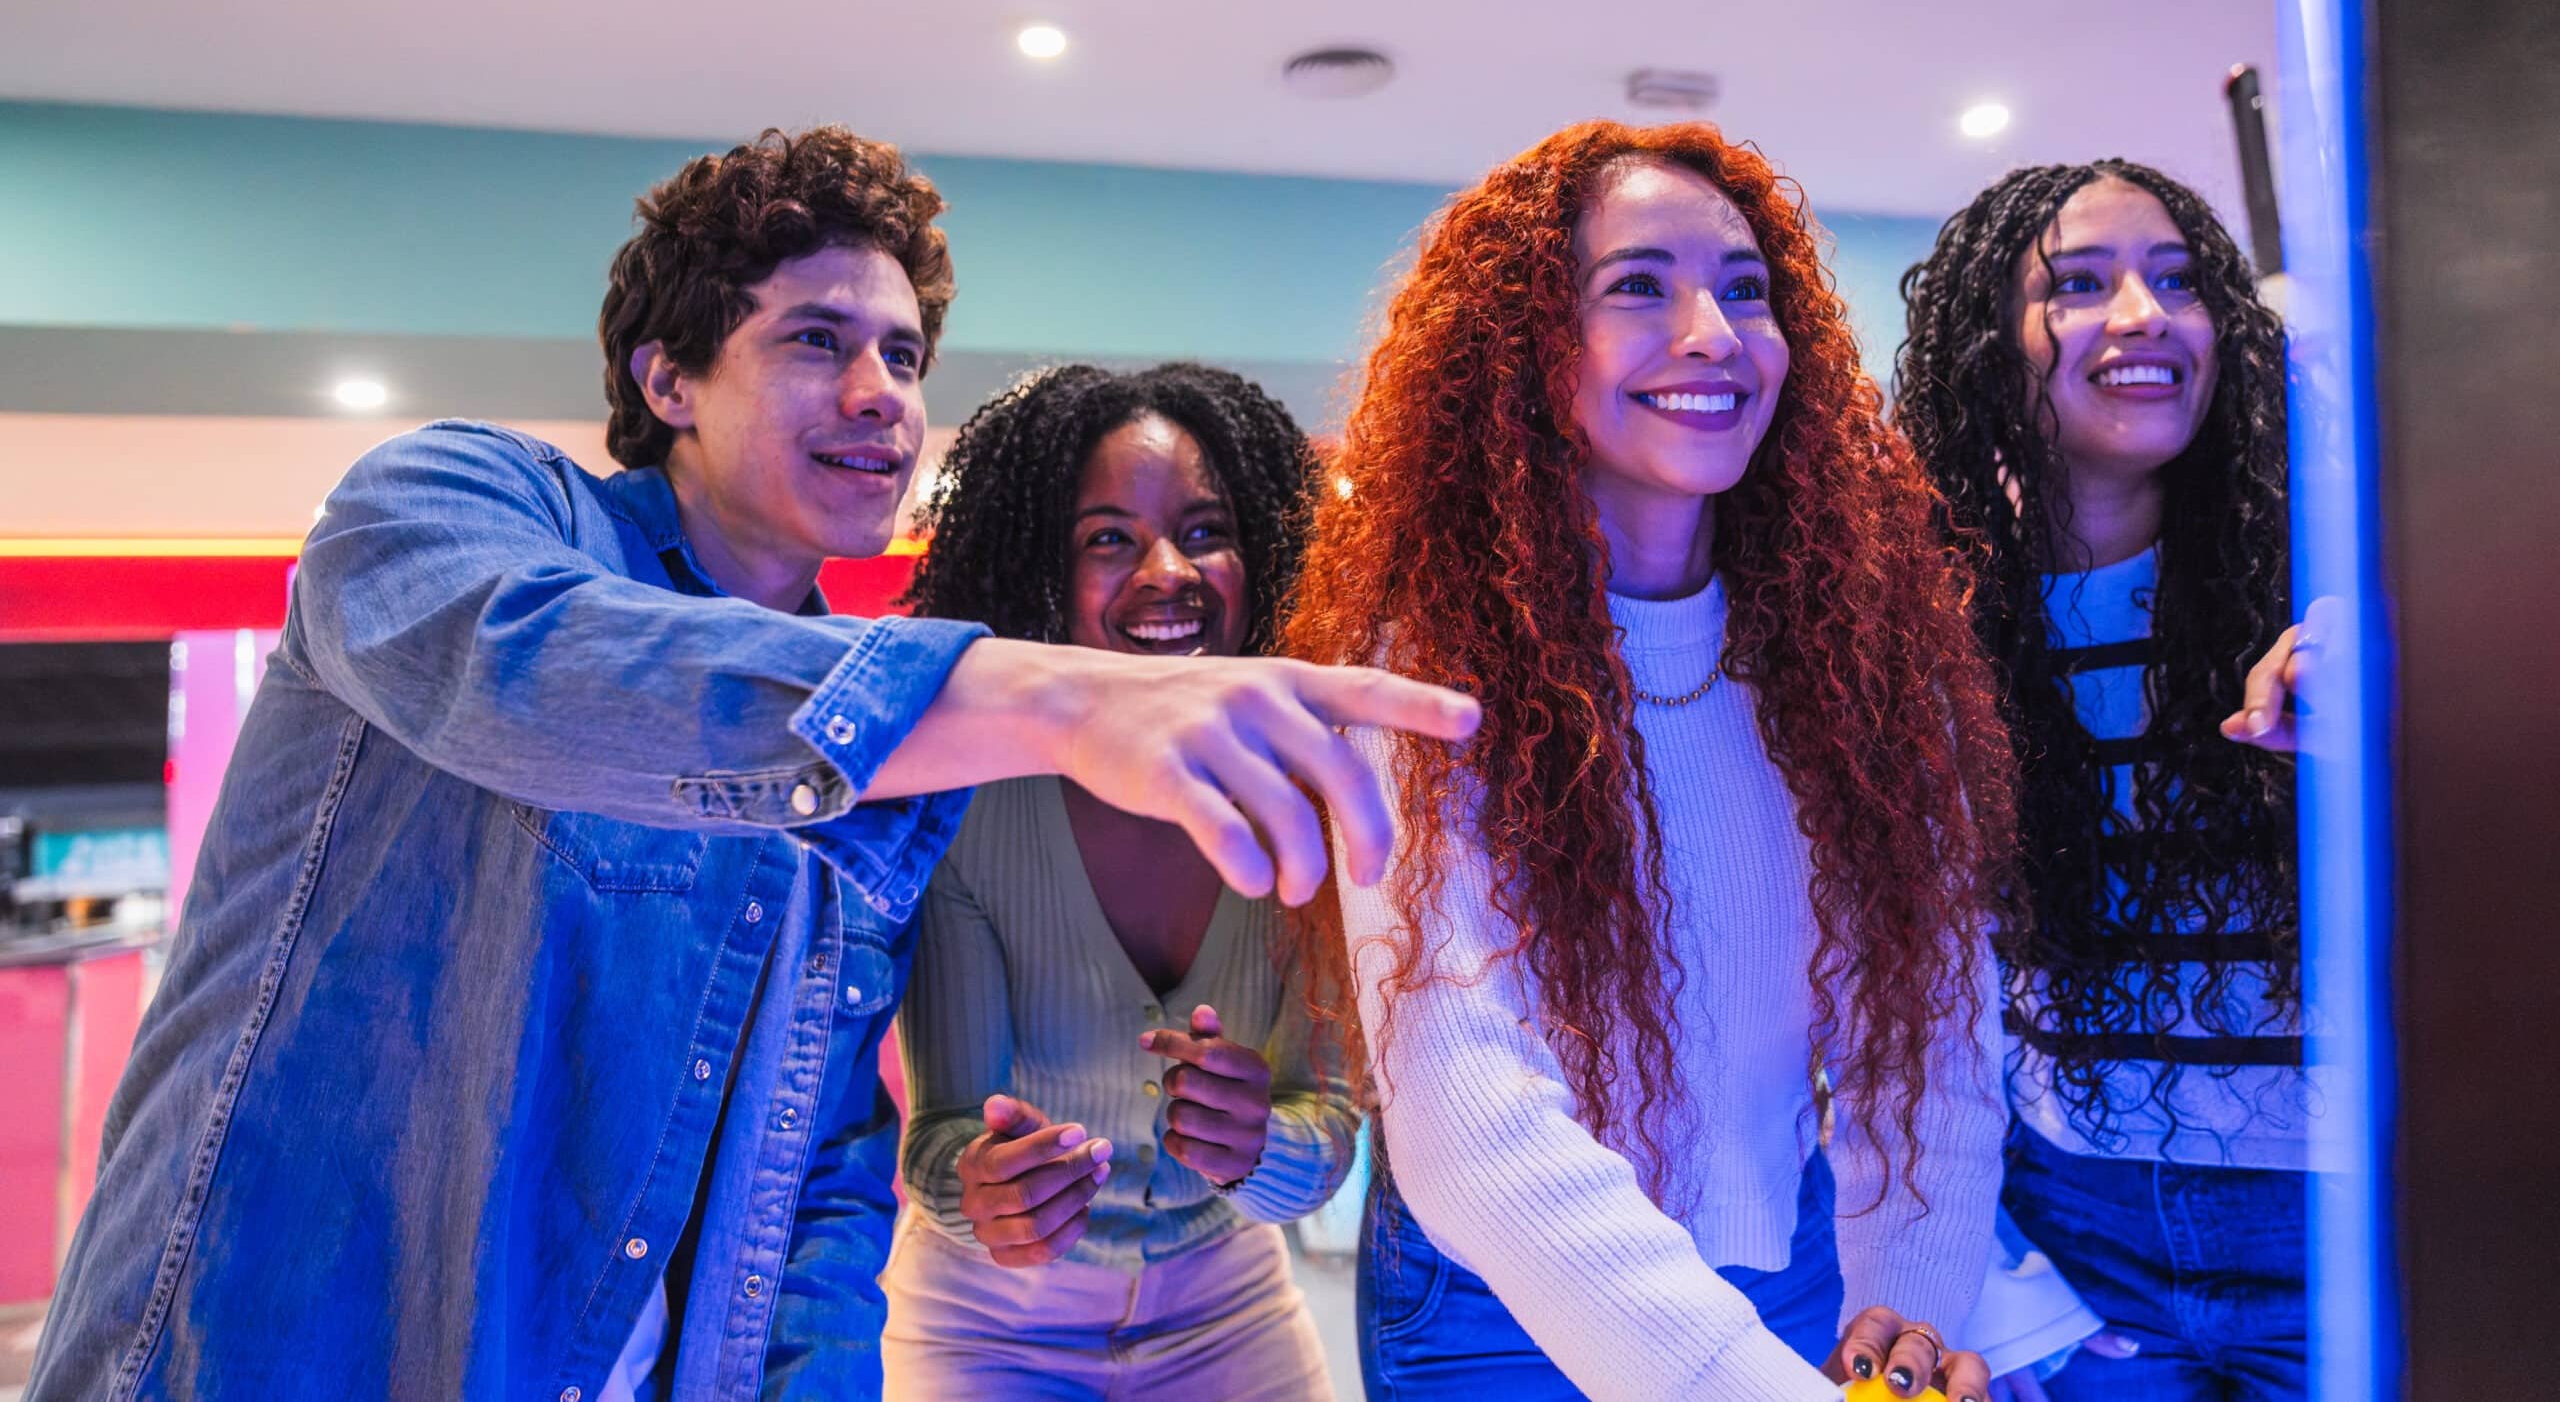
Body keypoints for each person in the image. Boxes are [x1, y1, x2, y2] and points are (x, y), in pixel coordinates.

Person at [27, 127, 1475, 1402]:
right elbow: (542, 671)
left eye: (904, 356)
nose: (880, 393)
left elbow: (819, 1186)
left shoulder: (881, 792)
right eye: (817, 341)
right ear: (668, 377)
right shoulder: (447, 502)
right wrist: (1053, 692)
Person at [1285, 119, 2013, 1402]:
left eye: (1745, 288)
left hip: (1796, 1273)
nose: (1713, 333)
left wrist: (1904, 1310)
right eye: (1637, 286)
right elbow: (1460, 1099)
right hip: (1495, 1305)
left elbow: (1930, 1033)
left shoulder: (1865, 662)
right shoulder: (1419, 672)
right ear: (1523, 346)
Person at [1895, 160, 2311, 1401]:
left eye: (2178, 282)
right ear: (1988, 347)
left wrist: (2410, 712)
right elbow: (1913, 989)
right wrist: (1988, 1285)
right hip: (2075, 1237)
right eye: (2077, 284)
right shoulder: (1930, 629)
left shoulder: (2336, 587)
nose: (2142, 315)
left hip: (2349, 1219)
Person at [884, 361, 1356, 1398]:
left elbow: (1326, 1130)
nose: (1167, 571)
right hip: (984, 1325)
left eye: (1205, 531)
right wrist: (981, 1188)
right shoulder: (970, 807)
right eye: (1109, 539)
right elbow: (938, 1133)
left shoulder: (1312, 808)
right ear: (1042, 571)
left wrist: (1260, 1145)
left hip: (1227, 1307)